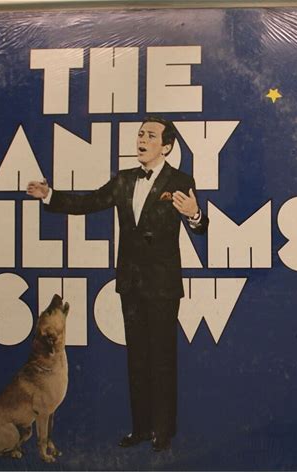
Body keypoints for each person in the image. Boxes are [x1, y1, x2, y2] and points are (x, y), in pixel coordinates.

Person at [27, 117, 208, 452]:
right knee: (136, 360)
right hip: (131, 285)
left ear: (166, 147)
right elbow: (88, 202)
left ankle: (163, 432)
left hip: (163, 287)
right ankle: (141, 429)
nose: (142, 140)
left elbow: (200, 227)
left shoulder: (181, 181)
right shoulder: (124, 179)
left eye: (150, 136)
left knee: (162, 359)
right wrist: (49, 195)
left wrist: (195, 214)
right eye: (140, 134)